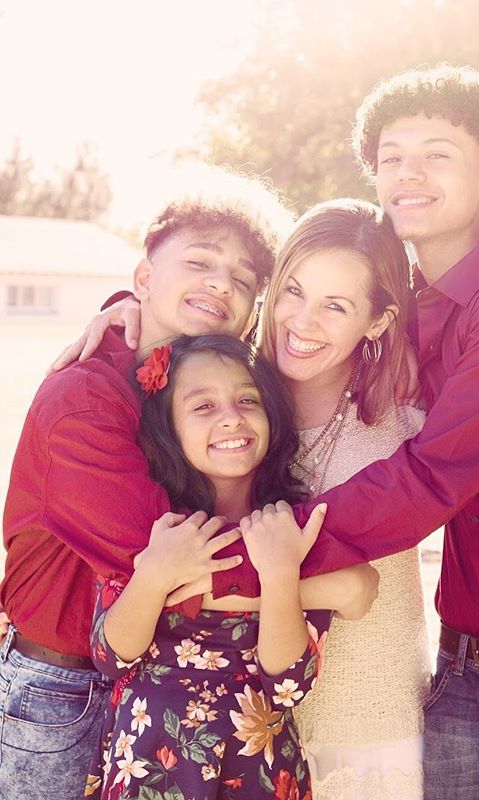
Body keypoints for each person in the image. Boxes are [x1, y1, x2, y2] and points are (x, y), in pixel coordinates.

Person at [191, 65, 479, 799]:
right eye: (392, 156)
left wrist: (250, 557)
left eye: (437, 153)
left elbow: (429, 479)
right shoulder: (413, 313)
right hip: (462, 673)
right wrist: (129, 315)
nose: (409, 174)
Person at [0, 171, 376, 800]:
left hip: (164, 719)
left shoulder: (182, 393)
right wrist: (332, 583)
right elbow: (162, 560)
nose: (220, 285)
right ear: (145, 279)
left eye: (243, 280)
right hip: (64, 690)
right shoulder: (87, 397)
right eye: (199, 262)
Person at [86, 333, 332, 799]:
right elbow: (109, 656)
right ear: (168, 428)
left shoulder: (292, 525)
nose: (231, 418)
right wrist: (155, 575)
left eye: (247, 399)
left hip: (256, 769)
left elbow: (288, 686)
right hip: (147, 761)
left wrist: (281, 574)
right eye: (203, 407)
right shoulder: (148, 520)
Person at [259, 198, 430, 799]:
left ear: (378, 321)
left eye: (336, 306)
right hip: (238, 723)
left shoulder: (408, 421)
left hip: (367, 721)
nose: (302, 322)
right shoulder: (227, 401)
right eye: (294, 291)